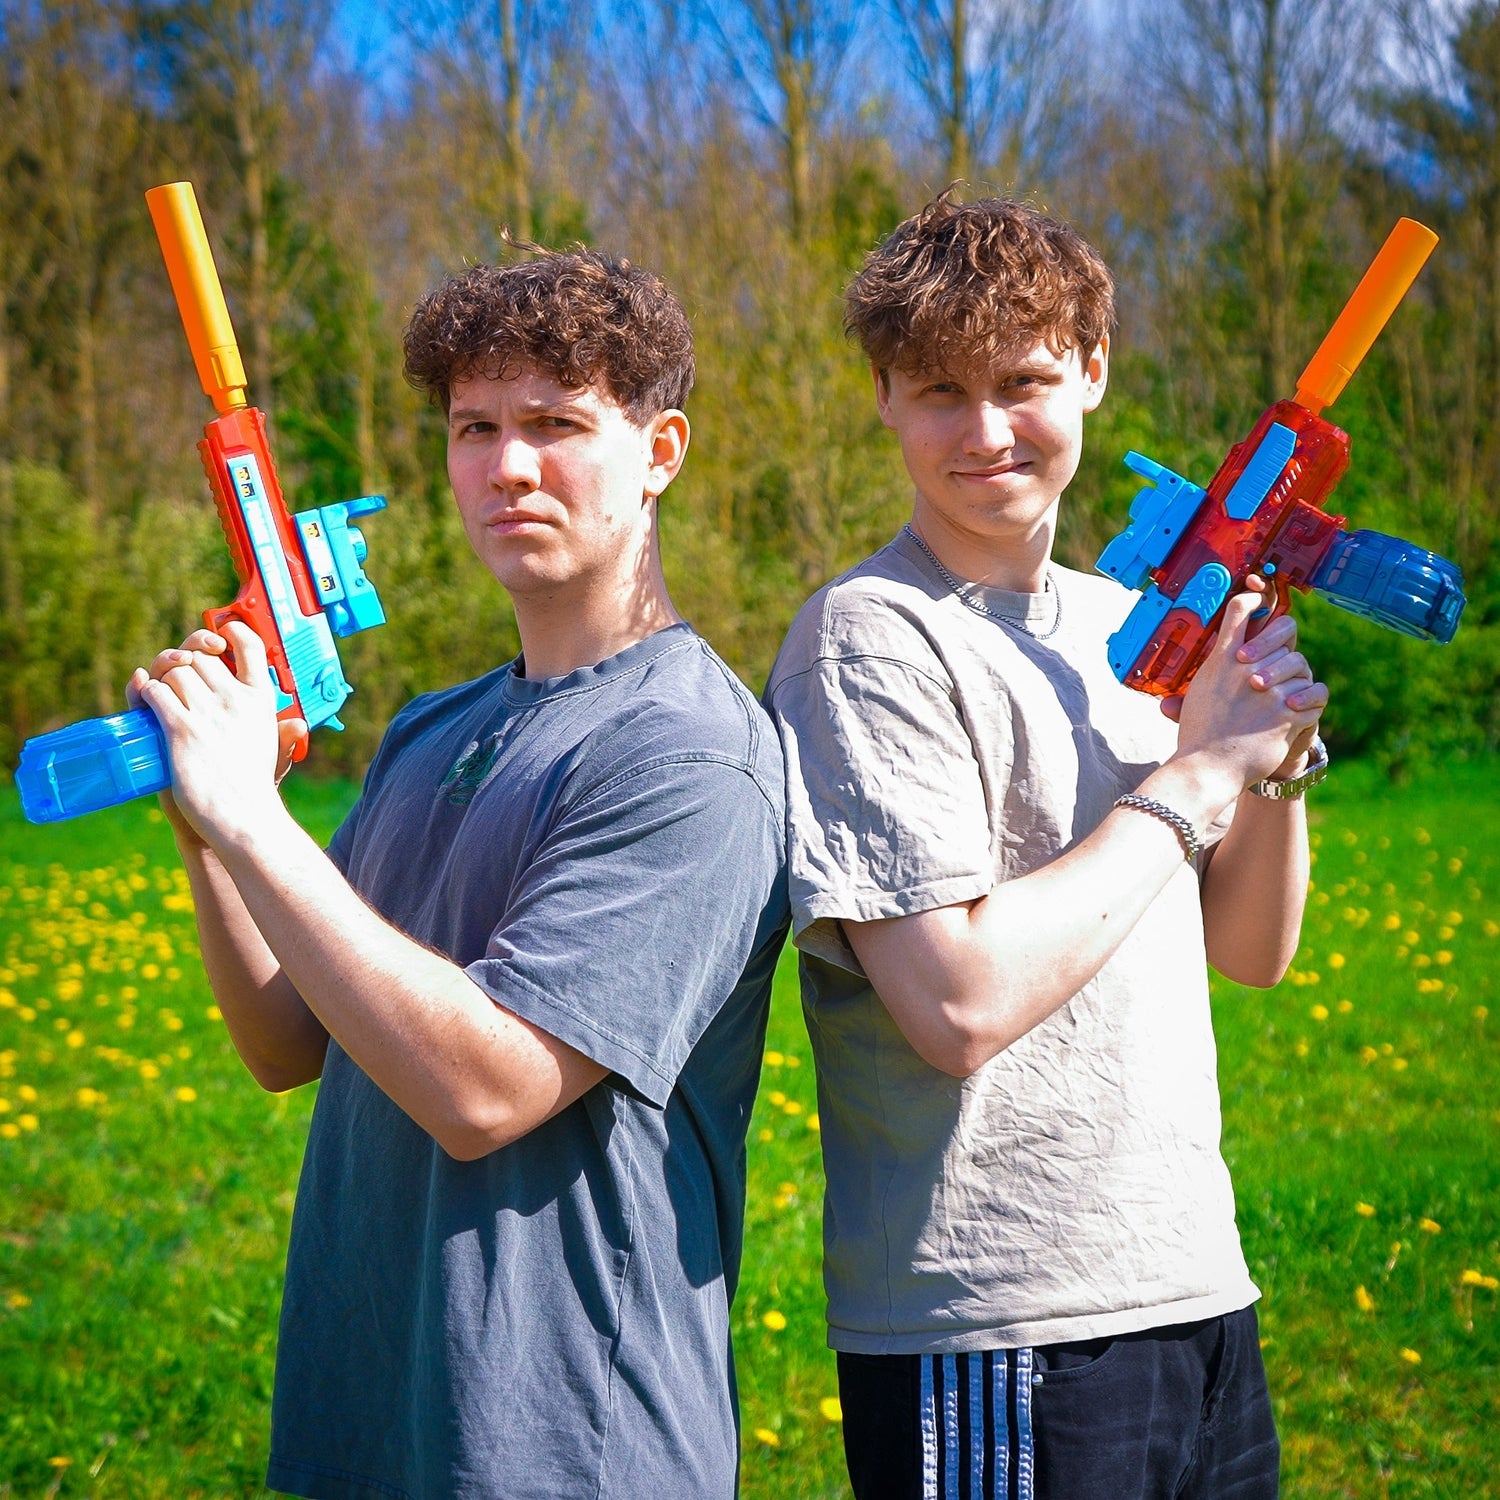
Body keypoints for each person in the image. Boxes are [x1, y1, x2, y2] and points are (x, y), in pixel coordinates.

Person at [130, 248, 789, 1499]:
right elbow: (285, 1038)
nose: (509, 466)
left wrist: (253, 822)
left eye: (557, 424)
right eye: (475, 427)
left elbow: (485, 1092)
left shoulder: (692, 753)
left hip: (566, 1446)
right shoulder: (431, 729)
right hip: (371, 1422)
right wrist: (206, 819)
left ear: (661, 452)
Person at [765, 191, 1330, 1500]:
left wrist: (1274, 756)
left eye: (1021, 382)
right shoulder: (869, 638)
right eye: (939, 391)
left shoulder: (1129, 623)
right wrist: (1196, 774)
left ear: (1092, 372)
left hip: (1193, 1282)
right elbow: (954, 1005)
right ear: (884, 397)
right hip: (1000, 1323)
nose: (985, 431)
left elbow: (1252, 949)